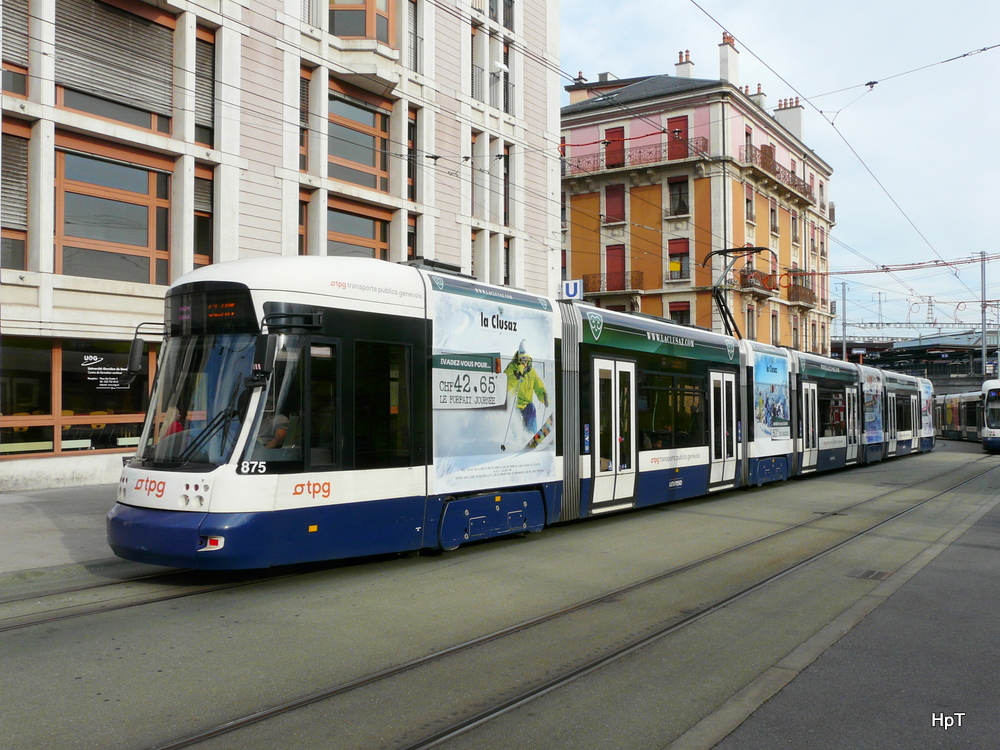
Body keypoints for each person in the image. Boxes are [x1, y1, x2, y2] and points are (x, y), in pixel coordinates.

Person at [504, 340, 549, 434]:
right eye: (522, 358)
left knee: (531, 407)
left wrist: (544, 396)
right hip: (514, 405)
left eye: (526, 359)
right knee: (515, 417)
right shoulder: (511, 367)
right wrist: (515, 376)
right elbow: (504, 385)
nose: (524, 362)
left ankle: (531, 434)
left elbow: (539, 387)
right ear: (518, 358)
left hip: (526, 405)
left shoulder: (531, 372)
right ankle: (515, 437)